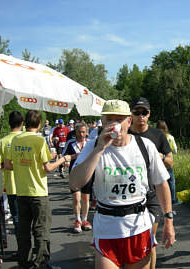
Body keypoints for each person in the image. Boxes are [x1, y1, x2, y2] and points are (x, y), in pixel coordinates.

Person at [69, 99, 175, 269]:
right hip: (107, 228)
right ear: (102, 122)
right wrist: (99, 149)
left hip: (138, 226)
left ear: (129, 121)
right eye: (109, 120)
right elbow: (75, 182)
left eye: (119, 119)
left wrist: (169, 221)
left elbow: (162, 184)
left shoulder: (145, 146)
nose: (114, 124)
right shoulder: (93, 146)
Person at [5, 110, 71, 269]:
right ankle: (40, 262)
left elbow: (8, 165)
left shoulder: (15, 139)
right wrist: (63, 159)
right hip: (38, 192)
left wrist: (23, 166)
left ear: (25, 123)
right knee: (41, 228)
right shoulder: (39, 141)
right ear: (40, 124)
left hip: (21, 190)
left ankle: (24, 261)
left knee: (23, 229)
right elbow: (47, 167)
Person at [129, 97, 173, 269]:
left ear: (149, 114)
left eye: (144, 112)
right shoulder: (126, 135)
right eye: (137, 112)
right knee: (133, 238)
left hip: (152, 192)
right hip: (131, 193)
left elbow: (170, 162)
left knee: (148, 235)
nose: (141, 116)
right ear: (130, 115)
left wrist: (158, 155)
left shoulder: (157, 135)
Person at [0, 111, 24, 257]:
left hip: (12, 185)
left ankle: (22, 248)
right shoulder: (26, 139)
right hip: (29, 184)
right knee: (30, 217)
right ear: (22, 124)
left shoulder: (2, 141)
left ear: (9, 123)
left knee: (17, 217)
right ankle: (30, 245)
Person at [62, 123, 92, 233]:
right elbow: (64, 155)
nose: (81, 134)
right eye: (79, 132)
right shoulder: (70, 142)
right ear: (75, 132)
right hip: (74, 173)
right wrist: (74, 156)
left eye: (84, 132)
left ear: (86, 133)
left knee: (85, 198)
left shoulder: (90, 143)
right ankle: (77, 219)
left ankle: (85, 219)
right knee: (76, 197)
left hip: (87, 173)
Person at [156, 120, 179, 204]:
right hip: (168, 162)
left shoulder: (155, 136)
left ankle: (160, 200)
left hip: (158, 162)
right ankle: (173, 199)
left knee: (160, 182)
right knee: (171, 181)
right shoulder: (170, 137)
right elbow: (175, 150)